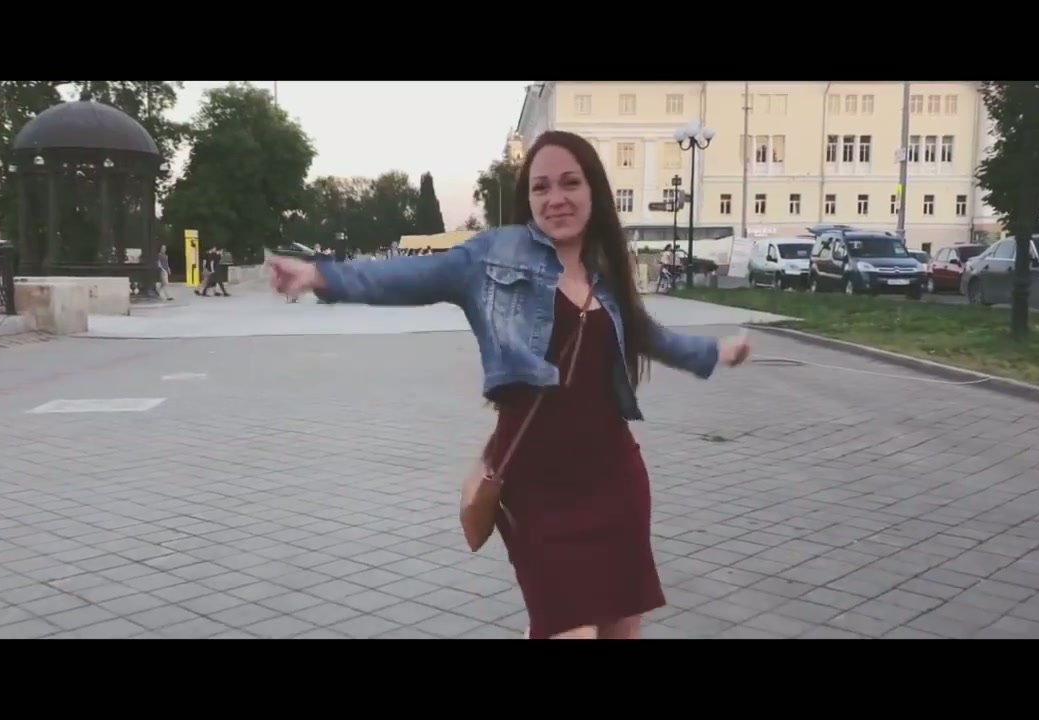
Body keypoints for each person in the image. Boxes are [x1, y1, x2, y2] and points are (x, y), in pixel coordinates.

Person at [266, 130, 751, 640]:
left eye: (570, 183)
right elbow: (410, 277)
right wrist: (320, 277)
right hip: (536, 488)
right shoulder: (493, 256)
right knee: (570, 631)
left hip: (615, 480)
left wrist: (713, 352)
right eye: (541, 187)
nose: (555, 198)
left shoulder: (604, 269)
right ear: (529, 198)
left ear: (593, 191)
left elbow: (645, 333)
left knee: (620, 633)